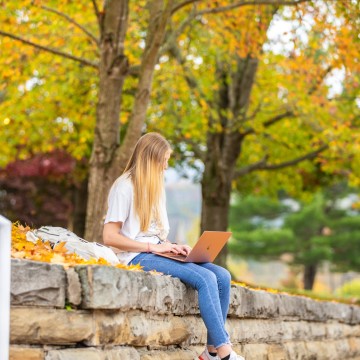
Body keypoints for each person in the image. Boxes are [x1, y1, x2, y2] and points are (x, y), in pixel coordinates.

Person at [103, 132, 245, 360]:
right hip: (135, 255)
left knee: (222, 276)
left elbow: (154, 232)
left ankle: (210, 353)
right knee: (205, 279)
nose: (166, 167)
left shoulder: (155, 188)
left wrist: (173, 246)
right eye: (164, 161)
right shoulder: (124, 187)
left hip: (156, 249)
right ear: (151, 159)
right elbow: (109, 236)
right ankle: (225, 352)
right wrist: (151, 247)